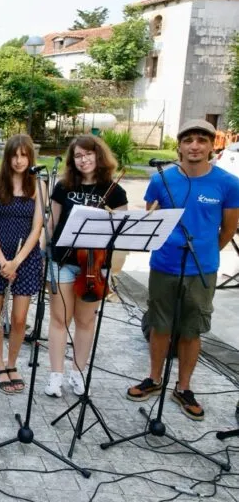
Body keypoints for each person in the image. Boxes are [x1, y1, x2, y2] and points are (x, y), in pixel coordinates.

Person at [126, 119, 239, 420]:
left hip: (202, 269)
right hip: (163, 264)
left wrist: (206, 250)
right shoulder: (161, 179)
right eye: (188, 140)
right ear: (179, 145)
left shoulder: (227, 183)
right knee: (160, 325)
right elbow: (151, 218)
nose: (194, 146)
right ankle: (153, 378)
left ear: (211, 146)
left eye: (202, 140)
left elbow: (228, 228)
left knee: (191, 329)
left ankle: (184, 387)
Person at [44, 135, 128, 398]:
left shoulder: (115, 191)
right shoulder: (63, 187)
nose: (84, 160)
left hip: (95, 264)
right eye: (78, 156)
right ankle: (55, 375)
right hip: (63, 261)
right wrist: (43, 253)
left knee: (85, 320)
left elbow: (122, 232)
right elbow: (52, 225)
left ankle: (78, 373)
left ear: (98, 155)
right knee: (59, 320)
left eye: (88, 154)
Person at [0, 135, 44, 394]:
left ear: (30, 158)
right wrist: (3, 262)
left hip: (25, 258)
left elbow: (37, 228)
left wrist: (17, 261)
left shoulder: (38, 187)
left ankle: (12, 362)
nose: (19, 160)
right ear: (7, 157)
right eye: (14, 155)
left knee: (18, 319)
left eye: (24, 155)